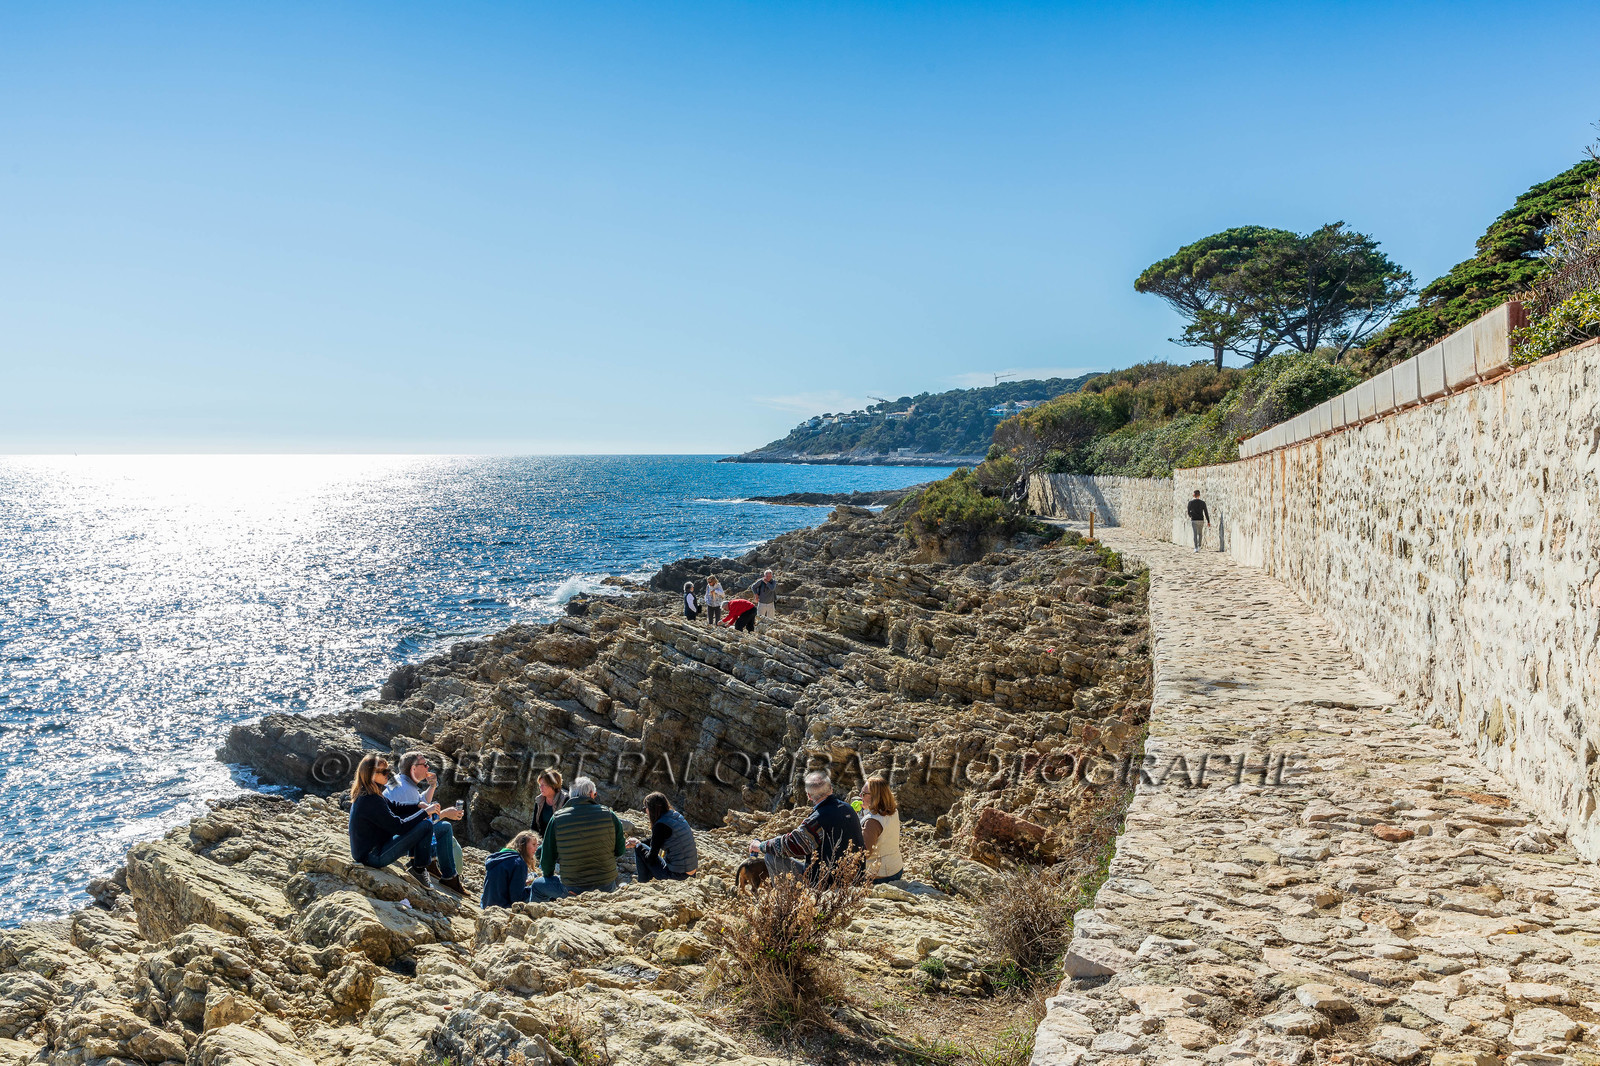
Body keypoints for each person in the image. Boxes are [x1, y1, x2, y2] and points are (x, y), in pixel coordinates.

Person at [748, 771, 864, 885]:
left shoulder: (818, 818)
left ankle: (786, 900)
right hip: (855, 877)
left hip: (825, 882)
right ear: (831, 789)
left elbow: (792, 844)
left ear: (808, 795)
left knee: (770, 856)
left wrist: (760, 846)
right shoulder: (848, 809)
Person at [347, 753, 438, 888]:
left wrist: (418, 806)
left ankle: (417, 865)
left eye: (388, 770)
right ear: (371, 774)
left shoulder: (369, 793)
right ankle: (418, 869)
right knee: (425, 826)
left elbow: (394, 807)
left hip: (368, 852)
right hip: (373, 857)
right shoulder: (371, 799)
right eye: (383, 772)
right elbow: (398, 827)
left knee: (420, 821)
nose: (387, 774)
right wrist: (424, 812)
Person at [527, 776, 625, 900]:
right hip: (607, 886)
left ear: (572, 796)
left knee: (537, 885)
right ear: (592, 794)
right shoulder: (610, 815)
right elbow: (620, 850)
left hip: (573, 888)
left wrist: (548, 876)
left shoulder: (557, 819)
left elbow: (547, 858)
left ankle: (539, 916)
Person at [384, 751, 465, 894]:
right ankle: (449, 876)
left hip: (394, 832)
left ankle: (435, 865)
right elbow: (417, 823)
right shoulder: (405, 789)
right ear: (413, 768)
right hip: (398, 840)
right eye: (425, 764)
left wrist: (432, 786)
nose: (428, 767)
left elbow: (419, 802)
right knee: (445, 827)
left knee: (438, 823)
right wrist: (446, 814)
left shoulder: (399, 781)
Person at [628, 792, 699, 882]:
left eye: (645, 808)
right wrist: (640, 841)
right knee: (641, 846)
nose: (645, 811)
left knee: (639, 849)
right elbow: (657, 839)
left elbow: (651, 859)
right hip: (691, 873)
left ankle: (642, 882)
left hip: (678, 875)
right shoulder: (675, 816)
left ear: (651, 809)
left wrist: (638, 845)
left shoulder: (660, 825)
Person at [857, 774, 903, 885]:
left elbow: (864, 854)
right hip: (896, 869)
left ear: (875, 796)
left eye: (864, 794)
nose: (860, 796)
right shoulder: (892, 811)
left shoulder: (872, 822)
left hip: (880, 876)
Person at [481, 830, 538, 908]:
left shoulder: (500, 857)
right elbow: (516, 898)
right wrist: (533, 888)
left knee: (533, 876)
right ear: (523, 845)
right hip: (502, 906)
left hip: (486, 904)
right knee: (540, 889)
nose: (536, 848)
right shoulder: (519, 863)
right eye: (533, 845)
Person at [530, 768, 569, 838]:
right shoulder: (539, 801)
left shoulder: (565, 800)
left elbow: (567, 828)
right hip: (541, 842)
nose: (540, 787)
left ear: (553, 785)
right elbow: (534, 827)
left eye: (543, 785)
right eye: (539, 784)